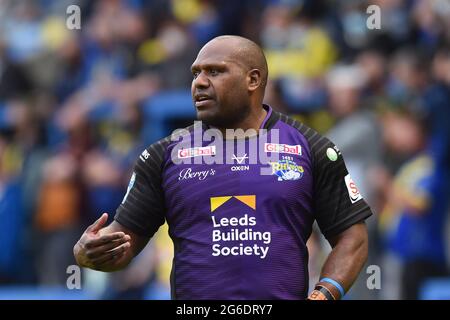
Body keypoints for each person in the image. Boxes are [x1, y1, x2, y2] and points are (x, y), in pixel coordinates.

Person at [73, 35, 372, 300]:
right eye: (195, 73)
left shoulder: (313, 149)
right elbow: (121, 246)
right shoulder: (163, 157)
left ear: (252, 80)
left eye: (215, 71)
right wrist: (87, 252)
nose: (199, 82)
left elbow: (352, 237)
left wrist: (324, 294)